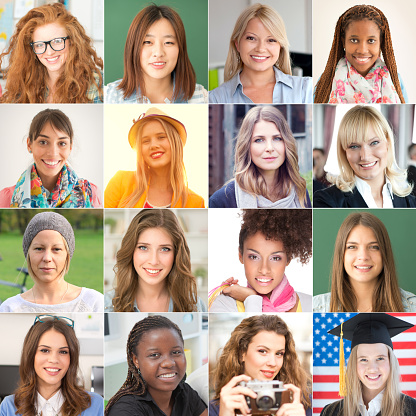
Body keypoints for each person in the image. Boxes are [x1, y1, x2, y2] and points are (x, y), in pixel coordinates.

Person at [209, 209, 312, 312]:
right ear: (240, 255)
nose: (264, 269)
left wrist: (251, 298)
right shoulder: (224, 305)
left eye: (275, 258)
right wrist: (253, 299)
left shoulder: (311, 305)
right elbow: (253, 328)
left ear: (288, 258)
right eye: (254, 257)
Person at [104, 209, 206, 312]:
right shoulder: (106, 304)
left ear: (176, 254)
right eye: (143, 247)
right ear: (131, 250)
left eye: (165, 249)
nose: (154, 261)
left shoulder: (195, 306)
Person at [313, 106, 415, 208]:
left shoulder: (411, 203)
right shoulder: (325, 201)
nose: (365, 156)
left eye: (374, 143)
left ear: (388, 143)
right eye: (354, 146)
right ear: (344, 152)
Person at [0, 212, 103, 312]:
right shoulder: (9, 308)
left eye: (56, 249)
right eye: (39, 248)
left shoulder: (94, 303)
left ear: (67, 254)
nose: (47, 258)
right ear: (28, 253)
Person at [210, 314, 312, 416]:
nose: (272, 363)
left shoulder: (300, 403)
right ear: (241, 353)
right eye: (262, 351)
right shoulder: (219, 408)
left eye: (279, 354)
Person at [209, 106, 311, 208]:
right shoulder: (222, 200)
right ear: (247, 146)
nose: (270, 148)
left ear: (286, 143)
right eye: (259, 140)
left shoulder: (301, 192)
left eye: (277, 138)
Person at [313, 212, 416, 313]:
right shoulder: (315, 309)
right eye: (352, 247)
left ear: (385, 252)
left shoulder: (413, 307)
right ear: (341, 254)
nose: (363, 257)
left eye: (374, 247)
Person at [0, 315, 103, 415]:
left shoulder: (96, 405)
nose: (54, 360)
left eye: (63, 352)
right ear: (30, 354)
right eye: (44, 350)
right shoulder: (8, 407)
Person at [105, 315, 208, 416]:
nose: (169, 363)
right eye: (154, 355)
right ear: (136, 360)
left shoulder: (184, 393)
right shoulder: (125, 410)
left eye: (176, 352)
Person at [0, 3, 103, 103]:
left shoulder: (96, 84)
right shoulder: (25, 83)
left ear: (72, 41)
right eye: (40, 45)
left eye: (57, 41)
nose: (49, 52)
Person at [209, 3, 312, 104]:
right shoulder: (215, 99)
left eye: (271, 40)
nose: (261, 49)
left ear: (280, 46)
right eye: (251, 38)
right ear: (237, 44)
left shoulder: (306, 90)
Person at [104, 107, 205, 208]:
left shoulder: (196, 202)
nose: (153, 145)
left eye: (161, 137)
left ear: (175, 143)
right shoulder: (120, 181)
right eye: (145, 141)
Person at [105, 4, 207, 104]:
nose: (158, 53)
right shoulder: (109, 96)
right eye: (148, 42)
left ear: (180, 48)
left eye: (168, 42)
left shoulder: (202, 97)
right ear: (133, 47)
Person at [0, 109, 102, 208]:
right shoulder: (6, 198)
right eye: (43, 142)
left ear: (70, 147)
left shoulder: (91, 193)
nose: (53, 153)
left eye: (62, 143)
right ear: (29, 145)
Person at [320, 313, 416, 416]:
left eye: (380, 358)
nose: (372, 369)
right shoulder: (331, 412)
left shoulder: (412, 410)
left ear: (390, 362)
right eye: (363, 360)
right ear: (353, 364)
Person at [314, 5, 407, 104]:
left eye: (371, 41)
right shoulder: (327, 80)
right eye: (354, 40)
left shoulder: (395, 80)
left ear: (381, 42)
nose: (362, 50)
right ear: (343, 41)